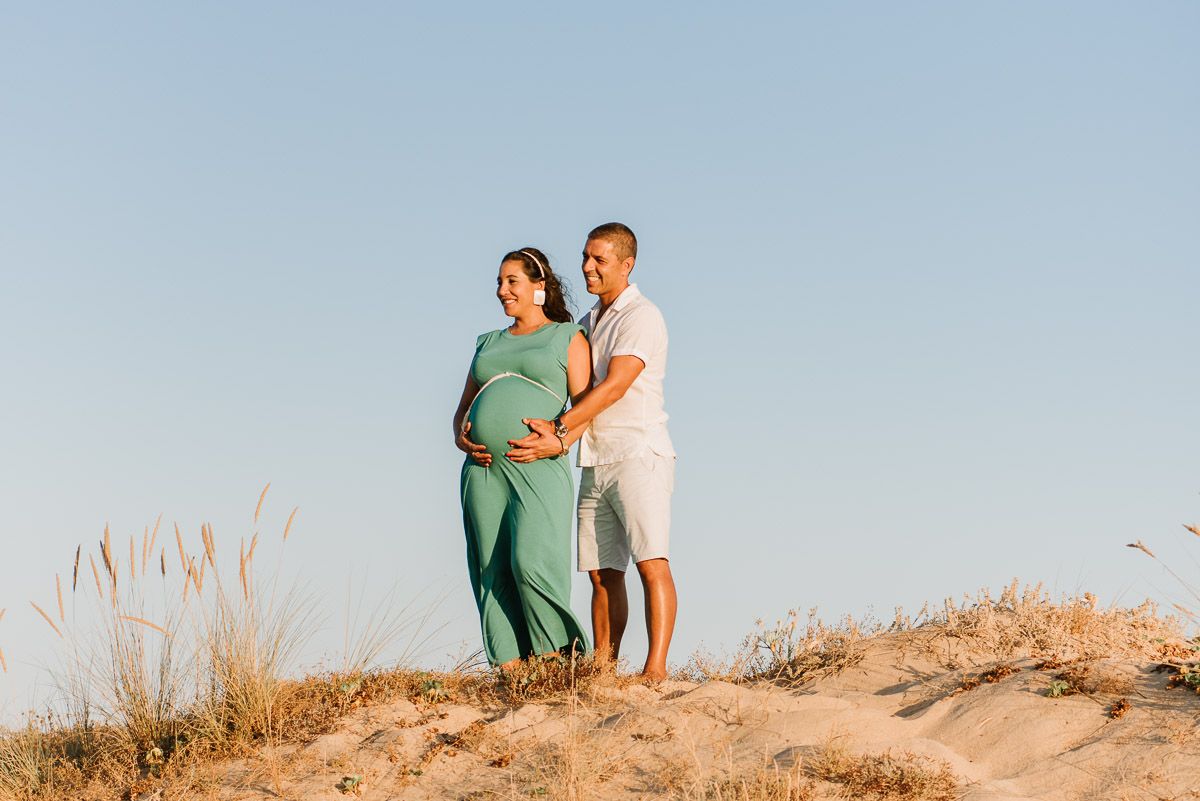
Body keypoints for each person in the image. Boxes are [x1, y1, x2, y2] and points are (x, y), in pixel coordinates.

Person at [507, 223, 677, 681]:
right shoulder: (587, 323)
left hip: (639, 453)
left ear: (627, 264)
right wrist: (559, 440)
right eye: (585, 256)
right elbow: (575, 395)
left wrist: (560, 426)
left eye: (599, 259)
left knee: (650, 561)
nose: (587, 266)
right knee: (602, 574)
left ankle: (655, 670)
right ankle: (604, 669)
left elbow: (616, 385)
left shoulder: (642, 315)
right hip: (594, 458)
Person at [452, 248, 592, 667]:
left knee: (532, 561)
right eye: (499, 282)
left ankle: (556, 663)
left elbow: (586, 407)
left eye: (512, 281)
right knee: (491, 569)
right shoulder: (488, 343)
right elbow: (462, 407)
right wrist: (460, 435)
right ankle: (511, 670)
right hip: (483, 470)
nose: (502, 290)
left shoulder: (566, 337)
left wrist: (561, 442)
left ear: (538, 287)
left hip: (538, 466)